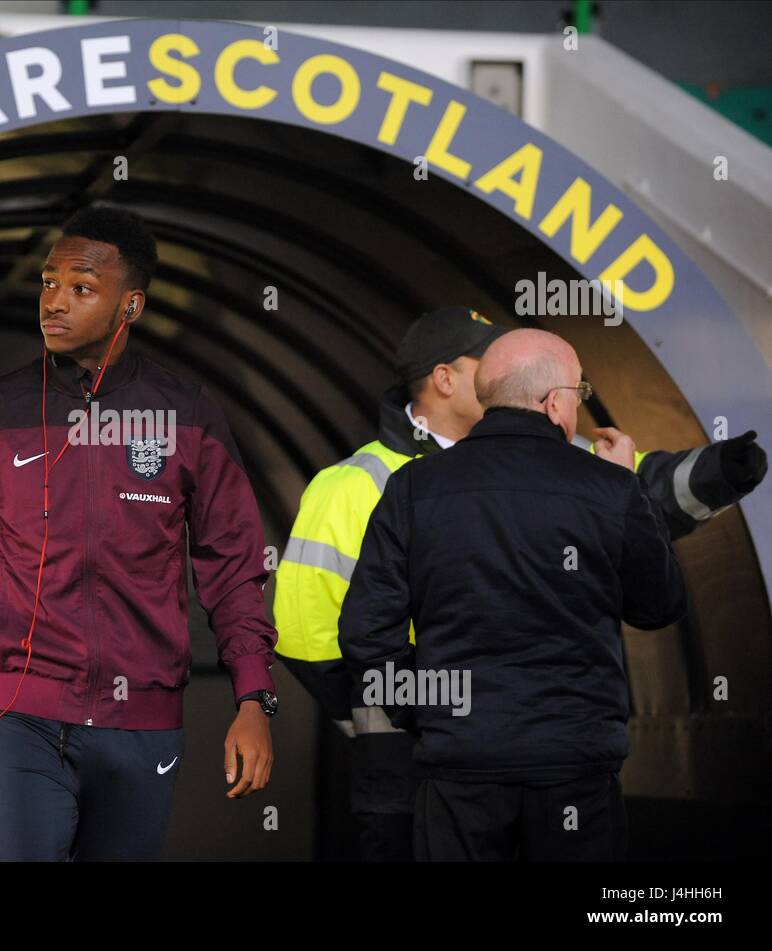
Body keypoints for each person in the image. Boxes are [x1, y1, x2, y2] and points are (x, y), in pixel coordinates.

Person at [273, 306, 767, 861]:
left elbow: (647, 485)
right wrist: (392, 722)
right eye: (486, 359)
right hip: (450, 763)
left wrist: (723, 468)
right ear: (445, 378)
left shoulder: (417, 486)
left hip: (454, 758)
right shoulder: (356, 482)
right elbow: (304, 634)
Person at [0, 205, 279, 861]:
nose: (54, 301)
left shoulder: (188, 414)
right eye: (48, 282)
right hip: (20, 720)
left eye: (81, 287)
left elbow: (233, 567)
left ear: (130, 306)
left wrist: (254, 698)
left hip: (144, 726)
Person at [339, 328, 688, 861]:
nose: (579, 406)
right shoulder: (609, 488)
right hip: (576, 770)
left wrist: (429, 710)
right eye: (579, 394)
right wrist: (627, 488)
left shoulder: (414, 487)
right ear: (553, 403)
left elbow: (366, 632)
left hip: (459, 769)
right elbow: (658, 604)